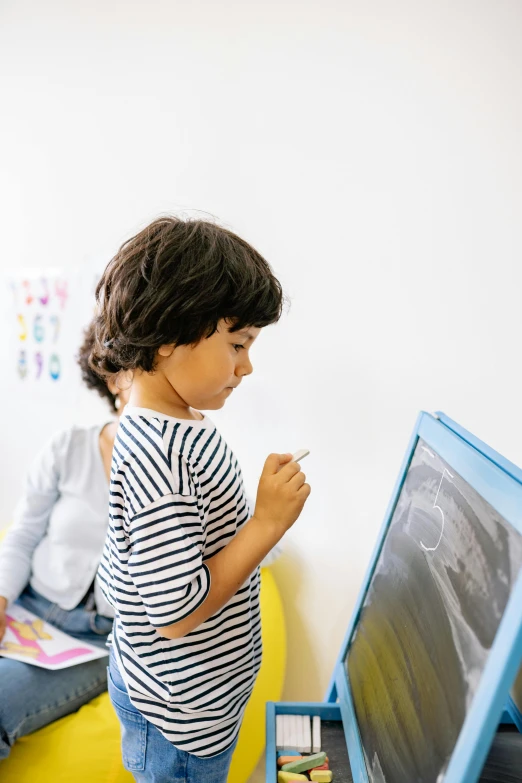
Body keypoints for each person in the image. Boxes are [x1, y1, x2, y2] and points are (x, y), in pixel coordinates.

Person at [89, 216, 311, 783]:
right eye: (237, 344)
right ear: (168, 336)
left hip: (184, 697)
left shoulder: (179, 422)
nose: (247, 365)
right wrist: (266, 524)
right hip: (177, 719)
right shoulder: (156, 450)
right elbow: (177, 613)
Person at [0, 324, 130, 760]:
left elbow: (259, 542)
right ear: (113, 378)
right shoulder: (67, 448)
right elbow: (21, 535)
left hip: (98, 642)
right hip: (28, 607)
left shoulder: (188, 466)